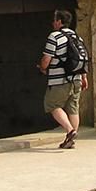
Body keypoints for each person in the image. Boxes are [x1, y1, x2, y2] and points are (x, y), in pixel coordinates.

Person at [38, 10, 88, 149]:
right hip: (77, 78)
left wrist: (42, 68)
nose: (52, 23)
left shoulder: (54, 36)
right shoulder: (77, 36)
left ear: (59, 21)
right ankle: (71, 139)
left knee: (52, 105)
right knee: (73, 109)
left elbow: (46, 59)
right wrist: (84, 77)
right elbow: (82, 57)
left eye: (54, 20)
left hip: (59, 80)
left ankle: (70, 130)